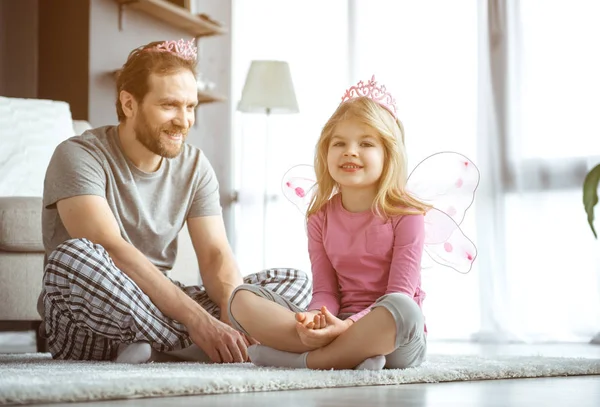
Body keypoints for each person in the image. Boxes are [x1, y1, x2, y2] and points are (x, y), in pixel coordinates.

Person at [37, 39, 311, 364]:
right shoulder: (78, 155)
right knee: (73, 258)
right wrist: (199, 322)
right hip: (91, 317)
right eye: (169, 105)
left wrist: (235, 314)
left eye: (190, 106)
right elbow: (111, 248)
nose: (184, 121)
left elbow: (214, 254)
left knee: (296, 282)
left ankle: (159, 348)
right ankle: (193, 347)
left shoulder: (195, 166)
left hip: (160, 301)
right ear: (128, 104)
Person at [227, 76, 432, 370]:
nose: (350, 151)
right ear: (326, 153)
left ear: (389, 155)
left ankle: (308, 361)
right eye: (340, 143)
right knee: (241, 299)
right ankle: (341, 354)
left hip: (393, 338)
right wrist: (315, 320)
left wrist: (347, 327)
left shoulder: (407, 215)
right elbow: (325, 291)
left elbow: (399, 292)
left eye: (366, 143)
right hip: (335, 327)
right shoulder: (319, 216)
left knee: (404, 309)